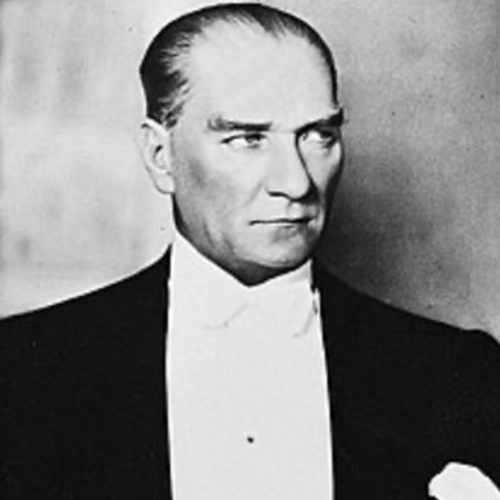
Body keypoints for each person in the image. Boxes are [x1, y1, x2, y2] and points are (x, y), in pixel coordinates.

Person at [1, 3, 499, 499]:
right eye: (247, 138)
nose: (296, 182)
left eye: (319, 135)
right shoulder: (23, 372)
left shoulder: (457, 374)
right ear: (160, 156)